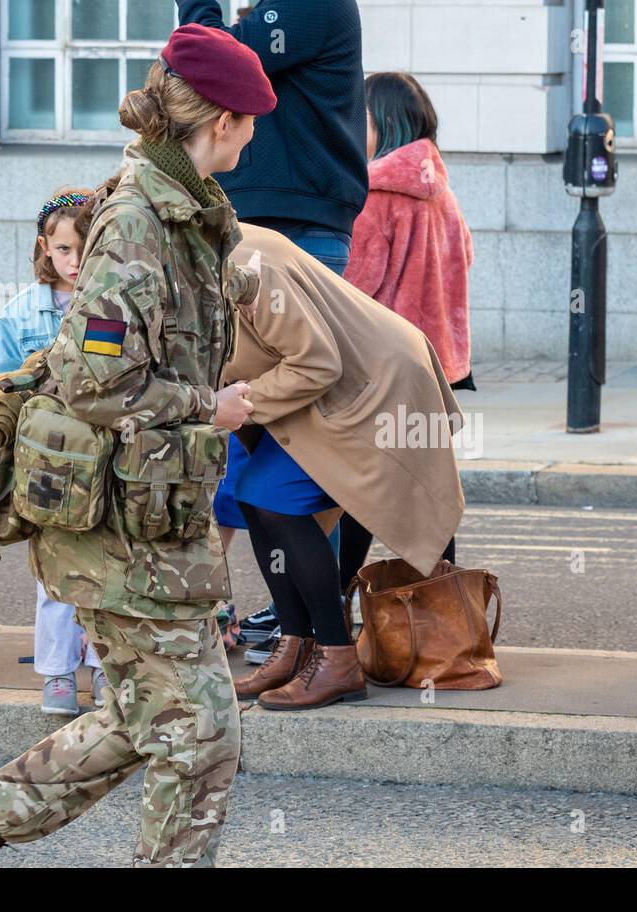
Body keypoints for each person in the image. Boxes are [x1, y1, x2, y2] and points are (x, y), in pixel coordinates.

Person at [0, 24, 271, 868]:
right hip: (118, 531)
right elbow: (96, 383)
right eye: (251, 120)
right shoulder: (137, 223)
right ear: (220, 121)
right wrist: (217, 403)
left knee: (148, 718)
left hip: (151, 518)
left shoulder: (186, 211)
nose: (257, 134)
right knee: (202, 736)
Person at [179, 0, 368, 660]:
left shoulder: (313, 5)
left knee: (302, 449)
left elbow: (209, 58)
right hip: (252, 228)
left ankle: (322, 633)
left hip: (298, 233)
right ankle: (301, 624)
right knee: (265, 455)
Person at [225, 223, 466, 710]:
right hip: (337, 382)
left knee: (272, 499)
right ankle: (297, 645)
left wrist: (233, 405)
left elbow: (316, 364)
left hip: (377, 381)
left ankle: (337, 659)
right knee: (254, 494)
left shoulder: (242, 264)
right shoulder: (209, 246)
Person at [341, 71, 473, 581]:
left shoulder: (374, 194)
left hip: (385, 369)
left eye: (362, 116)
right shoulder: (441, 191)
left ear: (385, 123)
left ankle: (326, 609)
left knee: (358, 490)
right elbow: (466, 258)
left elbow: (353, 286)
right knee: (429, 497)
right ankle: (447, 614)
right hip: (437, 369)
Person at [0, 189, 108, 716]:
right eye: (63, 250)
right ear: (44, 248)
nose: (74, 261)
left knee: (105, 568)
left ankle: (106, 669)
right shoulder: (20, 313)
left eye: (84, 248)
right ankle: (57, 673)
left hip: (102, 457)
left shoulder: (110, 303)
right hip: (46, 463)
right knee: (54, 569)